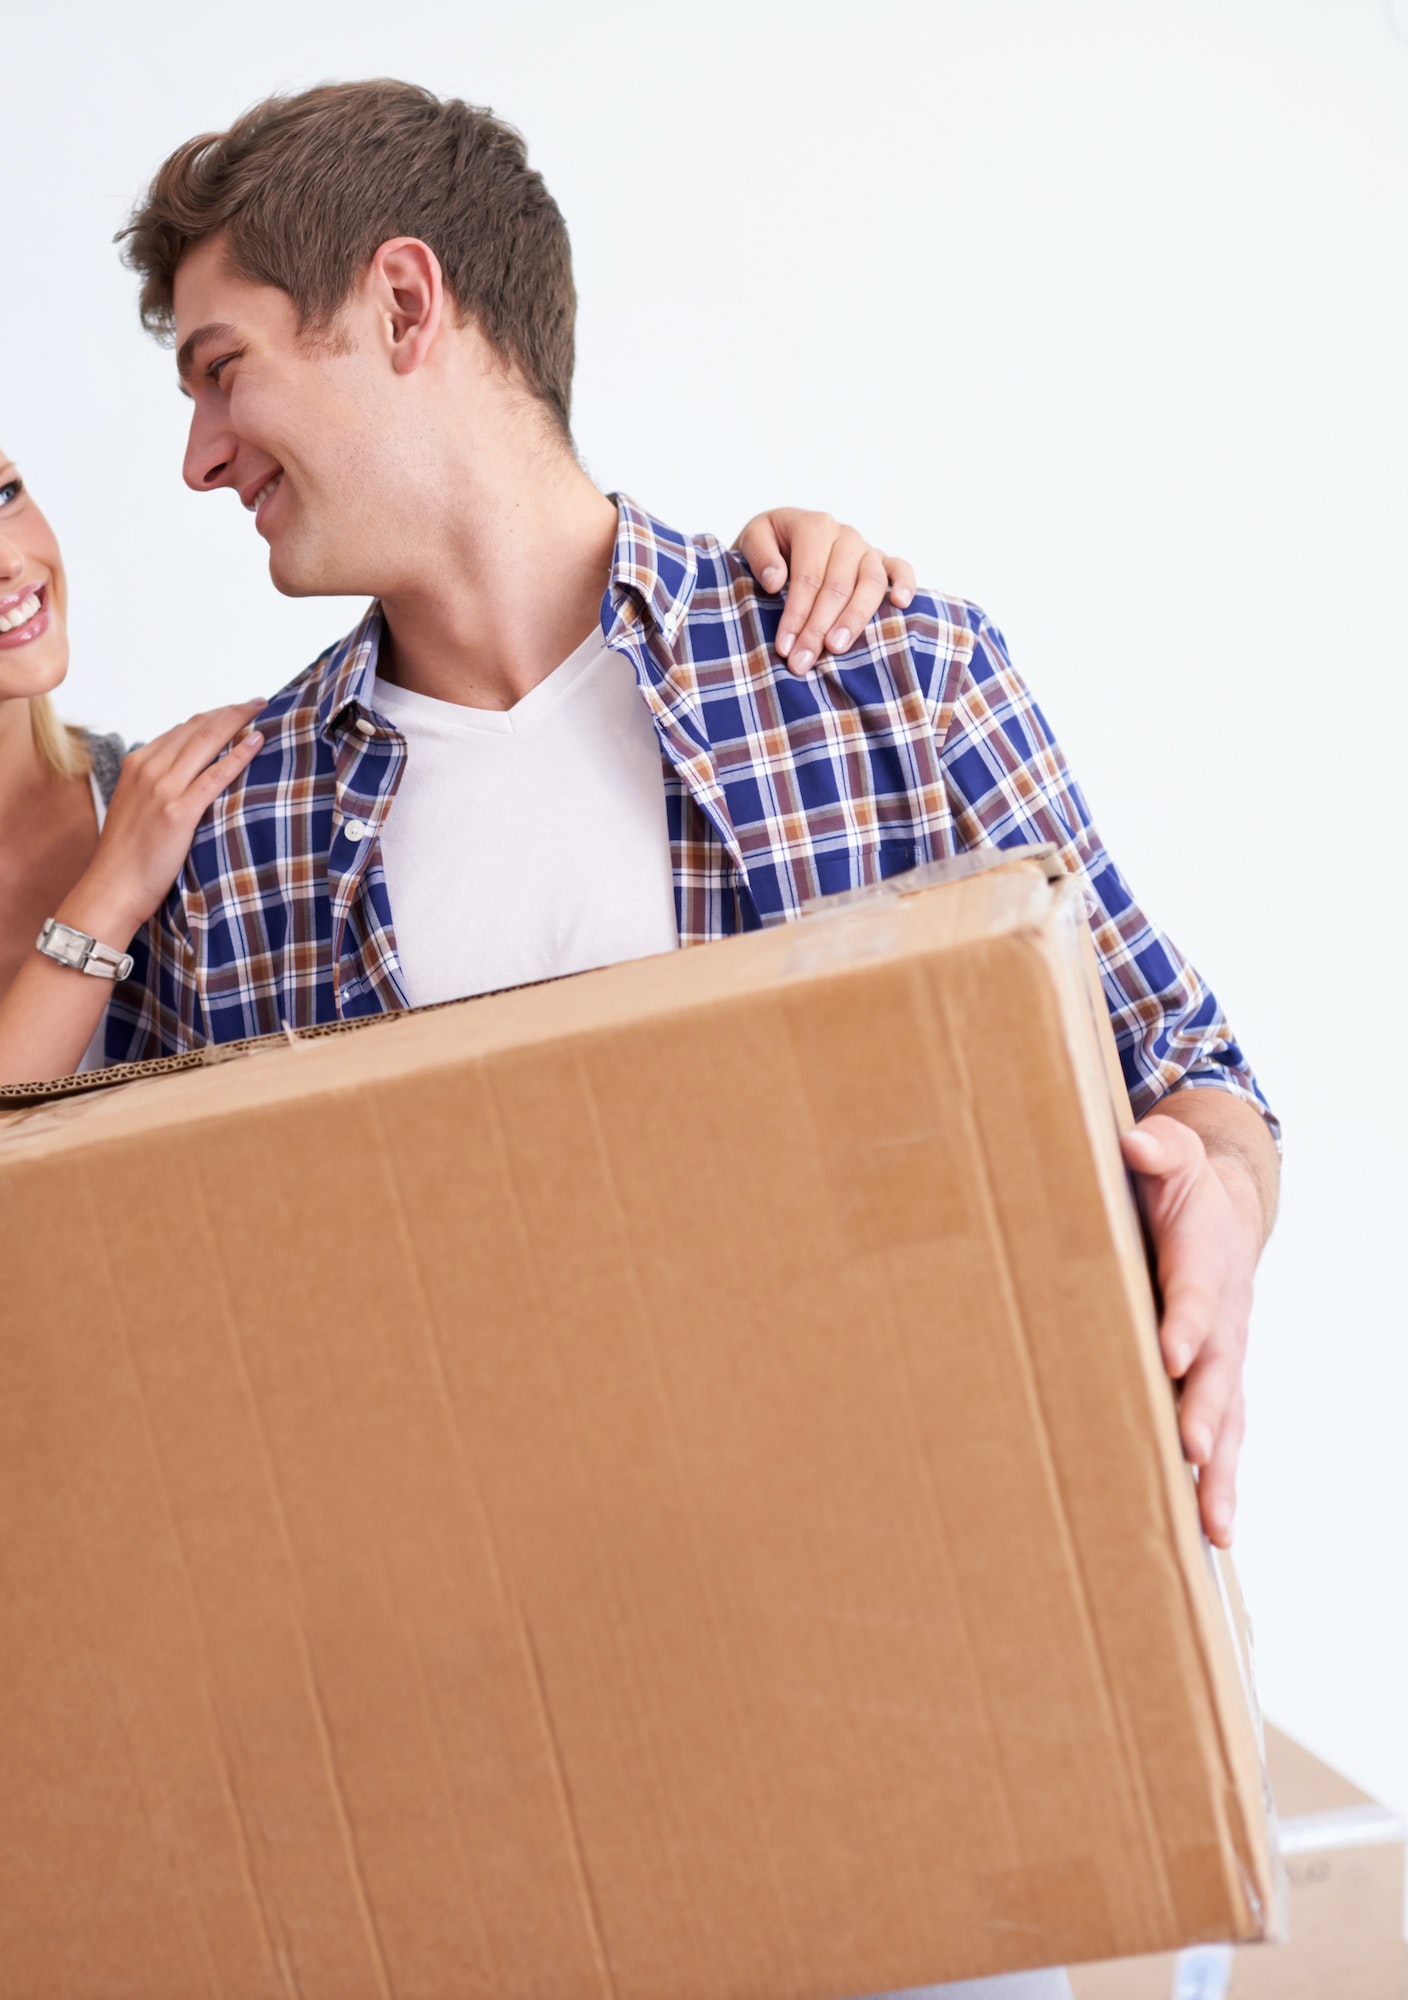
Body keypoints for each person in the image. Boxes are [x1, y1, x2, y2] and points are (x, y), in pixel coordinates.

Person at [102, 80, 1283, 2000]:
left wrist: (1219, 1208)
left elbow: (1196, 1073)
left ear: (407, 306)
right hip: (496, 1822)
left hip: (939, 1747)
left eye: (223, 370)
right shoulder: (234, 839)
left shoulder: (875, 669)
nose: (198, 453)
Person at [0, 353, 908, 1997]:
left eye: (5, 494)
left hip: (90, 1601)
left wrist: (778, 561)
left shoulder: (194, 806)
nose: (8, 558)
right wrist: (103, 905)